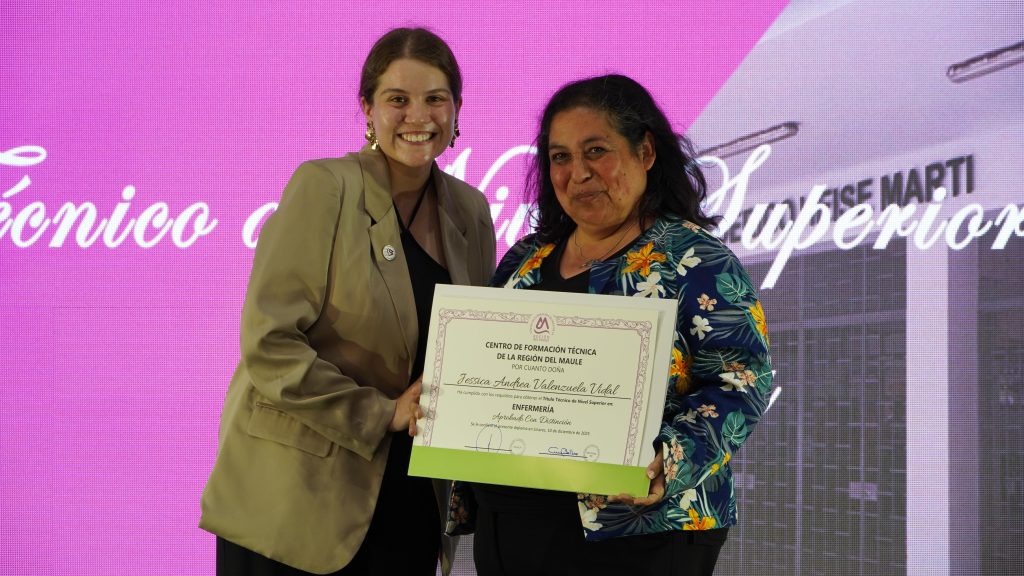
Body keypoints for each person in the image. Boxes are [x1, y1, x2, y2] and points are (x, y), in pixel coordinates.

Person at [448, 74, 774, 576]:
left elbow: (743, 381)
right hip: (511, 521)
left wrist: (670, 459)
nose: (578, 173)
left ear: (645, 152)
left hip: (638, 533)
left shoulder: (696, 258)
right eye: (560, 157)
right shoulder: (525, 259)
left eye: (596, 151)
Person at [200, 27, 496, 575]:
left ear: (456, 109)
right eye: (398, 99)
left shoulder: (471, 211)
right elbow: (270, 343)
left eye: (435, 98)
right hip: (296, 503)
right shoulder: (325, 187)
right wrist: (383, 413)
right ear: (367, 108)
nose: (418, 116)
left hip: (410, 499)